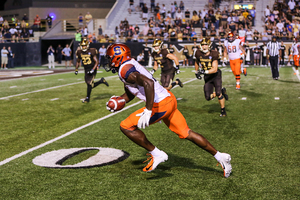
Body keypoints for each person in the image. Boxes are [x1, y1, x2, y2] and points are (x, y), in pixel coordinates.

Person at [105, 43, 232, 177]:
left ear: (118, 57)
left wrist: (148, 110)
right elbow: (132, 92)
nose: (108, 61)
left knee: (126, 126)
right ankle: (220, 156)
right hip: (168, 99)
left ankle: (157, 154)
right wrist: (120, 101)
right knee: (186, 132)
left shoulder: (125, 69)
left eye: (110, 57)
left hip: (160, 104)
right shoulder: (128, 65)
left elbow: (148, 83)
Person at [194, 38, 228, 117]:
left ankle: (223, 111)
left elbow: (215, 69)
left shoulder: (214, 53)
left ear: (209, 45)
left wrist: (204, 72)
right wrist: (196, 71)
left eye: (206, 44)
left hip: (216, 75)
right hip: (207, 77)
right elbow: (196, 61)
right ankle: (221, 91)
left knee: (218, 94)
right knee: (208, 97)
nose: (204, 46)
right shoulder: (198, 53)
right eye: (202, 45)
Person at [75, 38, 109, 103]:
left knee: (89, 83)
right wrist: (76, 69)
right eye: (82, 46)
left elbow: (96, 62)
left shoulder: (92, 51)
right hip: (86, 69)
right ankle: (101, 81)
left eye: (85, 45)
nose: (84, 47)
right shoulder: (79, 52)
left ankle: (87, 98)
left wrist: (93, 69)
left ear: (87, 45)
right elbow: (78, 61)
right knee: (91, 85)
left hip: (92, 68)